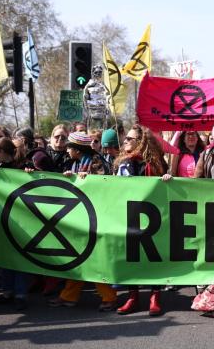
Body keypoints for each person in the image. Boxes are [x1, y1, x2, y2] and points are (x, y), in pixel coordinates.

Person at [49, 132, 115, 310]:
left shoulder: (96, 162)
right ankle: (69, 296)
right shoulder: (75, 163)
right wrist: (72, 177)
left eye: (69, 147)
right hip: (79, 216)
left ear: (77, 150)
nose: (67, 150)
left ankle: (109, 297)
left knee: (93, 259)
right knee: (78, 257)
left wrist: (88, 180)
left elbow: (105, 183)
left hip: (96, 217)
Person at [114, 125, 172, 316]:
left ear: (140, 142)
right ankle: (133, 297)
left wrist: (167, 179)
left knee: (153, 256)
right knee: (131, 257)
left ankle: (155, 297)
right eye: (125, 139)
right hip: (129, 216)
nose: (125, 142)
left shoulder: (156, 163)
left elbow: (166, 188)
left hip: (151, 217)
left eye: (129, 139)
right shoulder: (122, 163)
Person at [0, 138, 31, 311]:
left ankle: (20, 294)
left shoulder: (23, 167)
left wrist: (31, 173)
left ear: (3, 152)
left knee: (20, 256)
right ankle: (7, 292)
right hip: (5, 218)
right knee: (6, 255)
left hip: (22, 220)